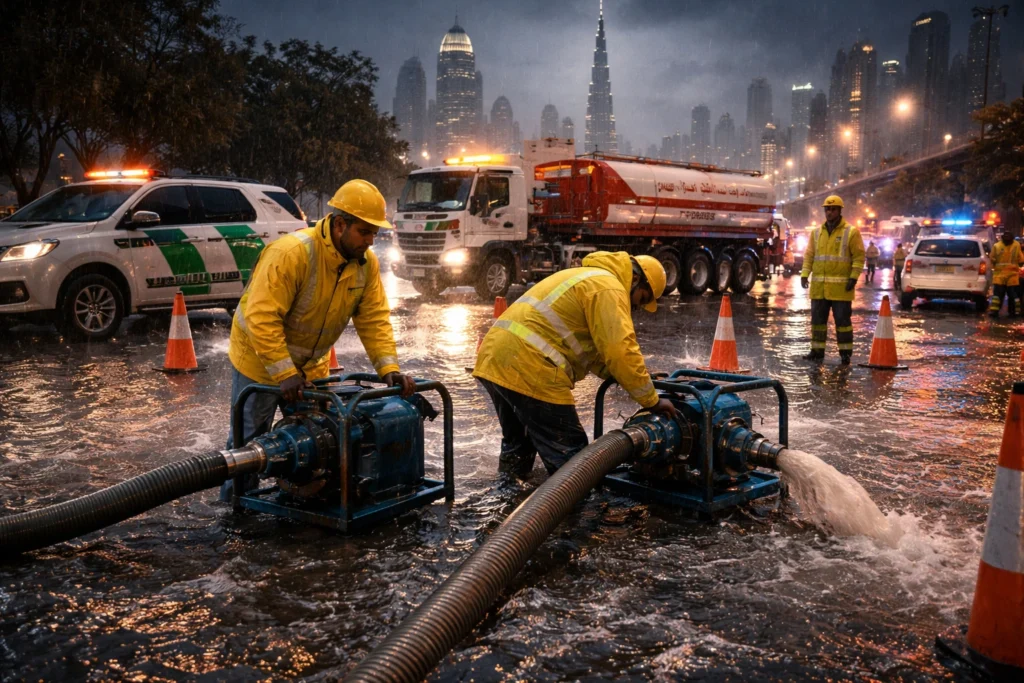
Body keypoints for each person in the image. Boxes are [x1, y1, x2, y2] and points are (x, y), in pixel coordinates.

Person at [222, 179, 415, 500]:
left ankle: (300, 505)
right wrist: (283, 373)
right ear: (340, 224)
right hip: (259, 362)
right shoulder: (292, 254)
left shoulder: (365, 265)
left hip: (310, 366)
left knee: (318, 442)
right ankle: (236, 512)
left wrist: (389, 368)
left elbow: (374, 320)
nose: (370, 241)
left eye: (374, 234)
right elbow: (261, 317)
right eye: (365, 232)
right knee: (249, 446)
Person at [473, 251, 679, 478]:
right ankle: (576, 513)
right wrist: (652, 400)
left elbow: (596, 356)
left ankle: (508, 502)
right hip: (531, 365)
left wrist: (639, 380)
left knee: (519, 446)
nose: (635, 308)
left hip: (496, 357)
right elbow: (620, 351)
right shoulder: (609, 288)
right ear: (637, 280)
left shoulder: (586, 277)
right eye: (640, 300)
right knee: (573, 462)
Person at [801, 195, 865, 365]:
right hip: (819, 288)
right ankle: (816, 352)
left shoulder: (851, 232)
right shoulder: (816, 233)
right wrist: (804, 274)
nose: (829, 212)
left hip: (841, 289)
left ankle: (845, 354)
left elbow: (859, 257)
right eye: (827, 209)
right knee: (817, 323)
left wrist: (853, 278)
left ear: (839, 210)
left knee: (843, 323)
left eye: (833, 209)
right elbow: (809, 256)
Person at [988, 231, 1023, 317]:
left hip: (1000, 275)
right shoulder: (1017, 245)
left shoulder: (997, 246)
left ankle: (994, 311)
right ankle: (1015, 311)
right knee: (1013, 295)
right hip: (1013, 275)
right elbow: (1021, 260)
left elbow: (992, 258)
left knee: (998, 295)